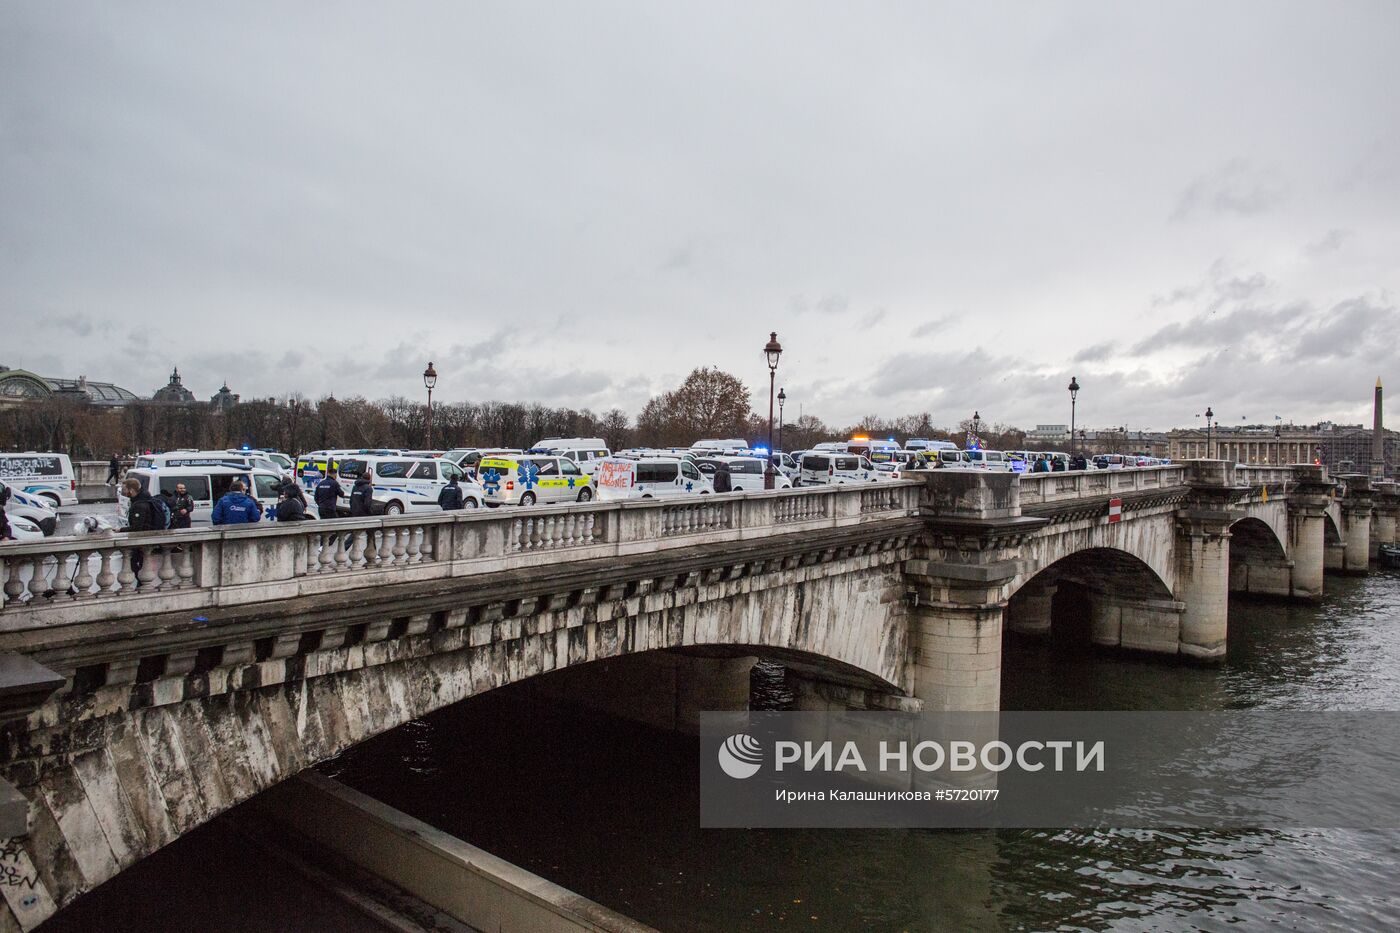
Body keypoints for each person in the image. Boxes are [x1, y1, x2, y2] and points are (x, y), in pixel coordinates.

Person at [122, 477, 158, 579]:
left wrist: (120, 530)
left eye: (124, 489)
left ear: (131, 490)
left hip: (141, 540)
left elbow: (137, 527)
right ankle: (141, 583)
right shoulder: (143, 499)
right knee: (138, 563)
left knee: (135, 563)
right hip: (143, 539)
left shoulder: (140, 505)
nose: (123, 492)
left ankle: (141, 583)